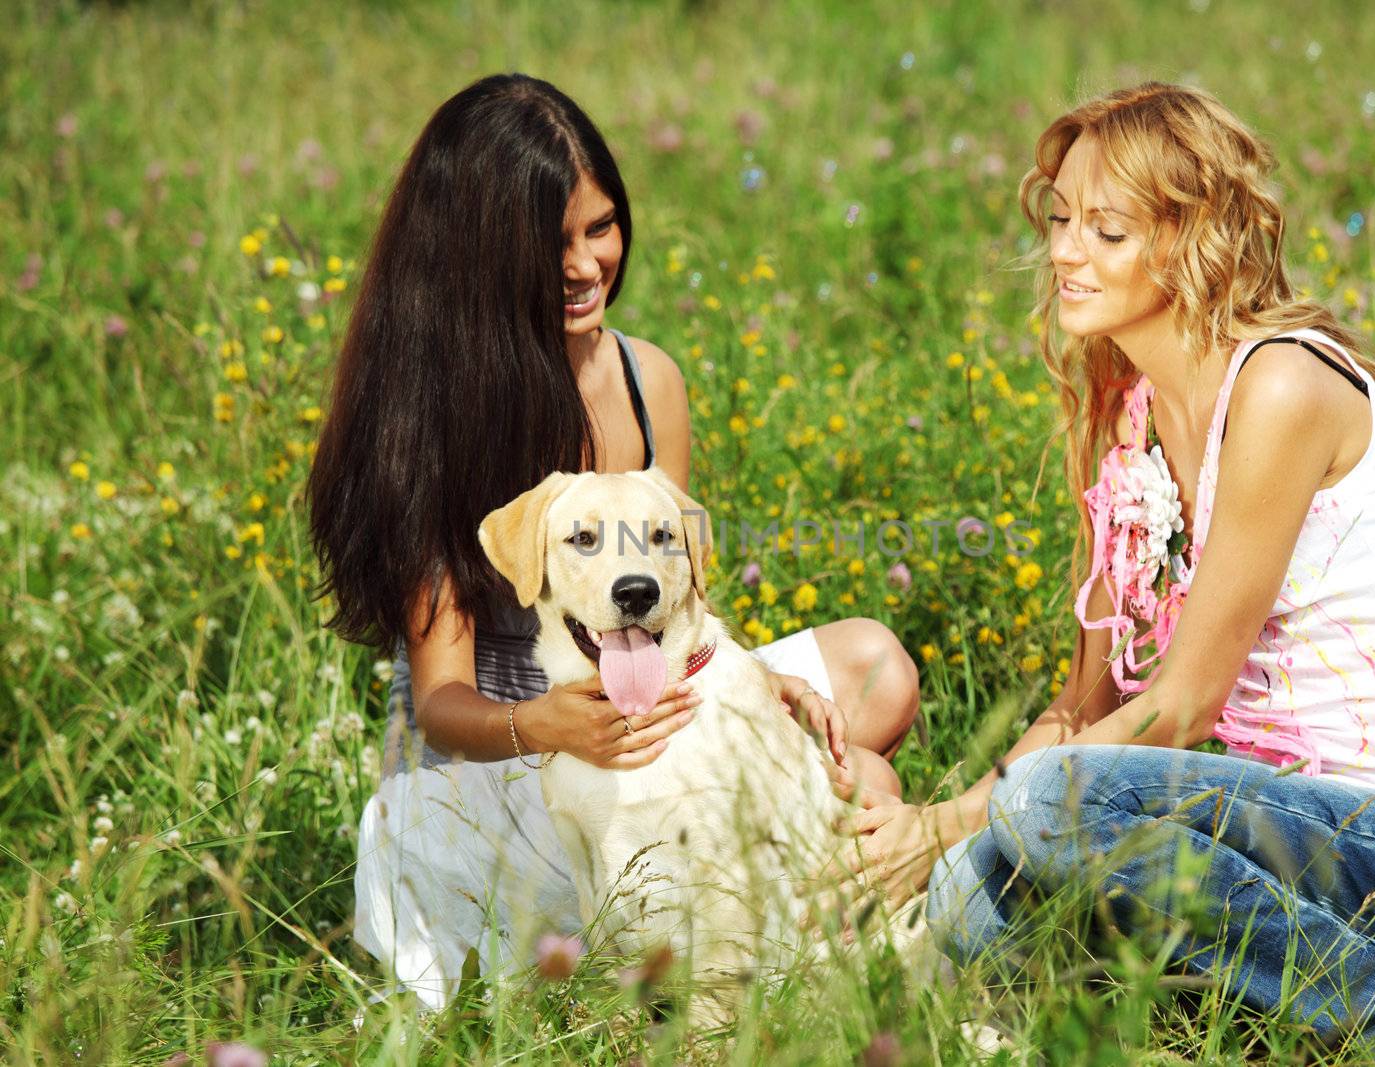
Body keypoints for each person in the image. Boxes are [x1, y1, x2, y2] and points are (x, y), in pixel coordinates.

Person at [841, 83, 1375, 1066]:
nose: (1065, 251)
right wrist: (929, 843)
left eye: (1105, 230)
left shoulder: (1282, 383)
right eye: (1062, 219)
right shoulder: (1124, 414)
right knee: (947, 923)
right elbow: (1082, 710)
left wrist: (948, 815)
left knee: (1038, 807)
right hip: (1237, 831)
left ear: (1191, 238)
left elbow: (1183, 706)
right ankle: (1225, 998)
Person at [305, 73, 918, 1009]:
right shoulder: (435, 417)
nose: (587, 264)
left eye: (601, 228)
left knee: (875, 676)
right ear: (477, 254)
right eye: (551, 244)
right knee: (861, 789)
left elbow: (677, 599)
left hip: (650, 701)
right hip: (510, 753)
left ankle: (791, 958)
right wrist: (548, 725)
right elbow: (441, 705)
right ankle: (752, 962)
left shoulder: (647, 380)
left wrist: (754, 678)